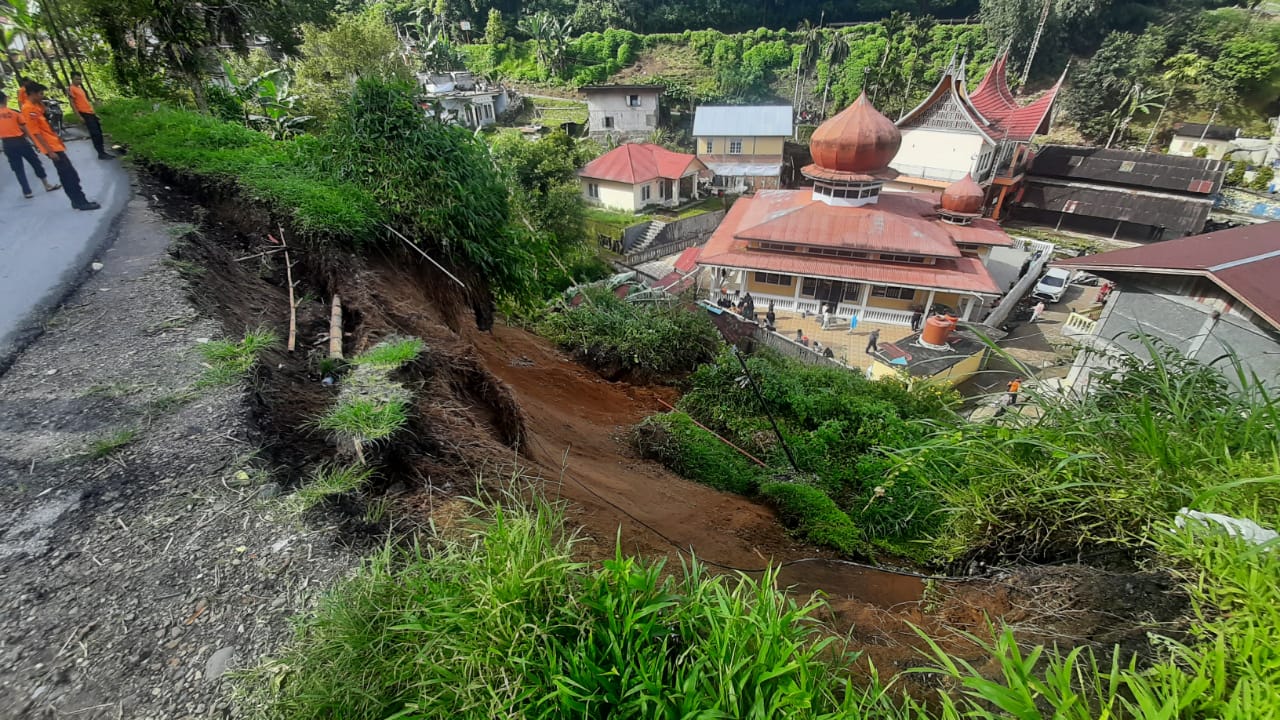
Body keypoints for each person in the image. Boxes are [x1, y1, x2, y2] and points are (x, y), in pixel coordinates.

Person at [22, 83, 99, 211]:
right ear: (33, 93)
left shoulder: (35, 106)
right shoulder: (28, 109)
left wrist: (41, 103)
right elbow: (36, 133)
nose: (42, 96)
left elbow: (45, 115)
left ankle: (77, 200)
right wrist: (50, 151)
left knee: (70, 174)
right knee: (69, 175)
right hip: (52, 147)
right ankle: (80, 201)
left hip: (54, 144)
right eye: (40, 94)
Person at [1, 90, 61, 199]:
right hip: (20, 141)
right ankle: (46, 184)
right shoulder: (14, 113)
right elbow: (25, 129)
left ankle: (27, 191)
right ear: (5, 99)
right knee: (35, 162)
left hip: (7, 143)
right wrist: (35, 143)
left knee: (18, 168)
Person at [68, 72, 112, 159]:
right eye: (77, 79)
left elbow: (85, 102)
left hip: (90, 113)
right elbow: (72, 103)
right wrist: (79, 116)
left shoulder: (80, 89)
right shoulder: (71, 89)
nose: (79, 81)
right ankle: (101, 153)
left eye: (80, 79)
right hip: (84, 114)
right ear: (72, 79)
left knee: (99, 132)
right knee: (95, 134)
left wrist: (94, 114)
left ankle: (102, 152)